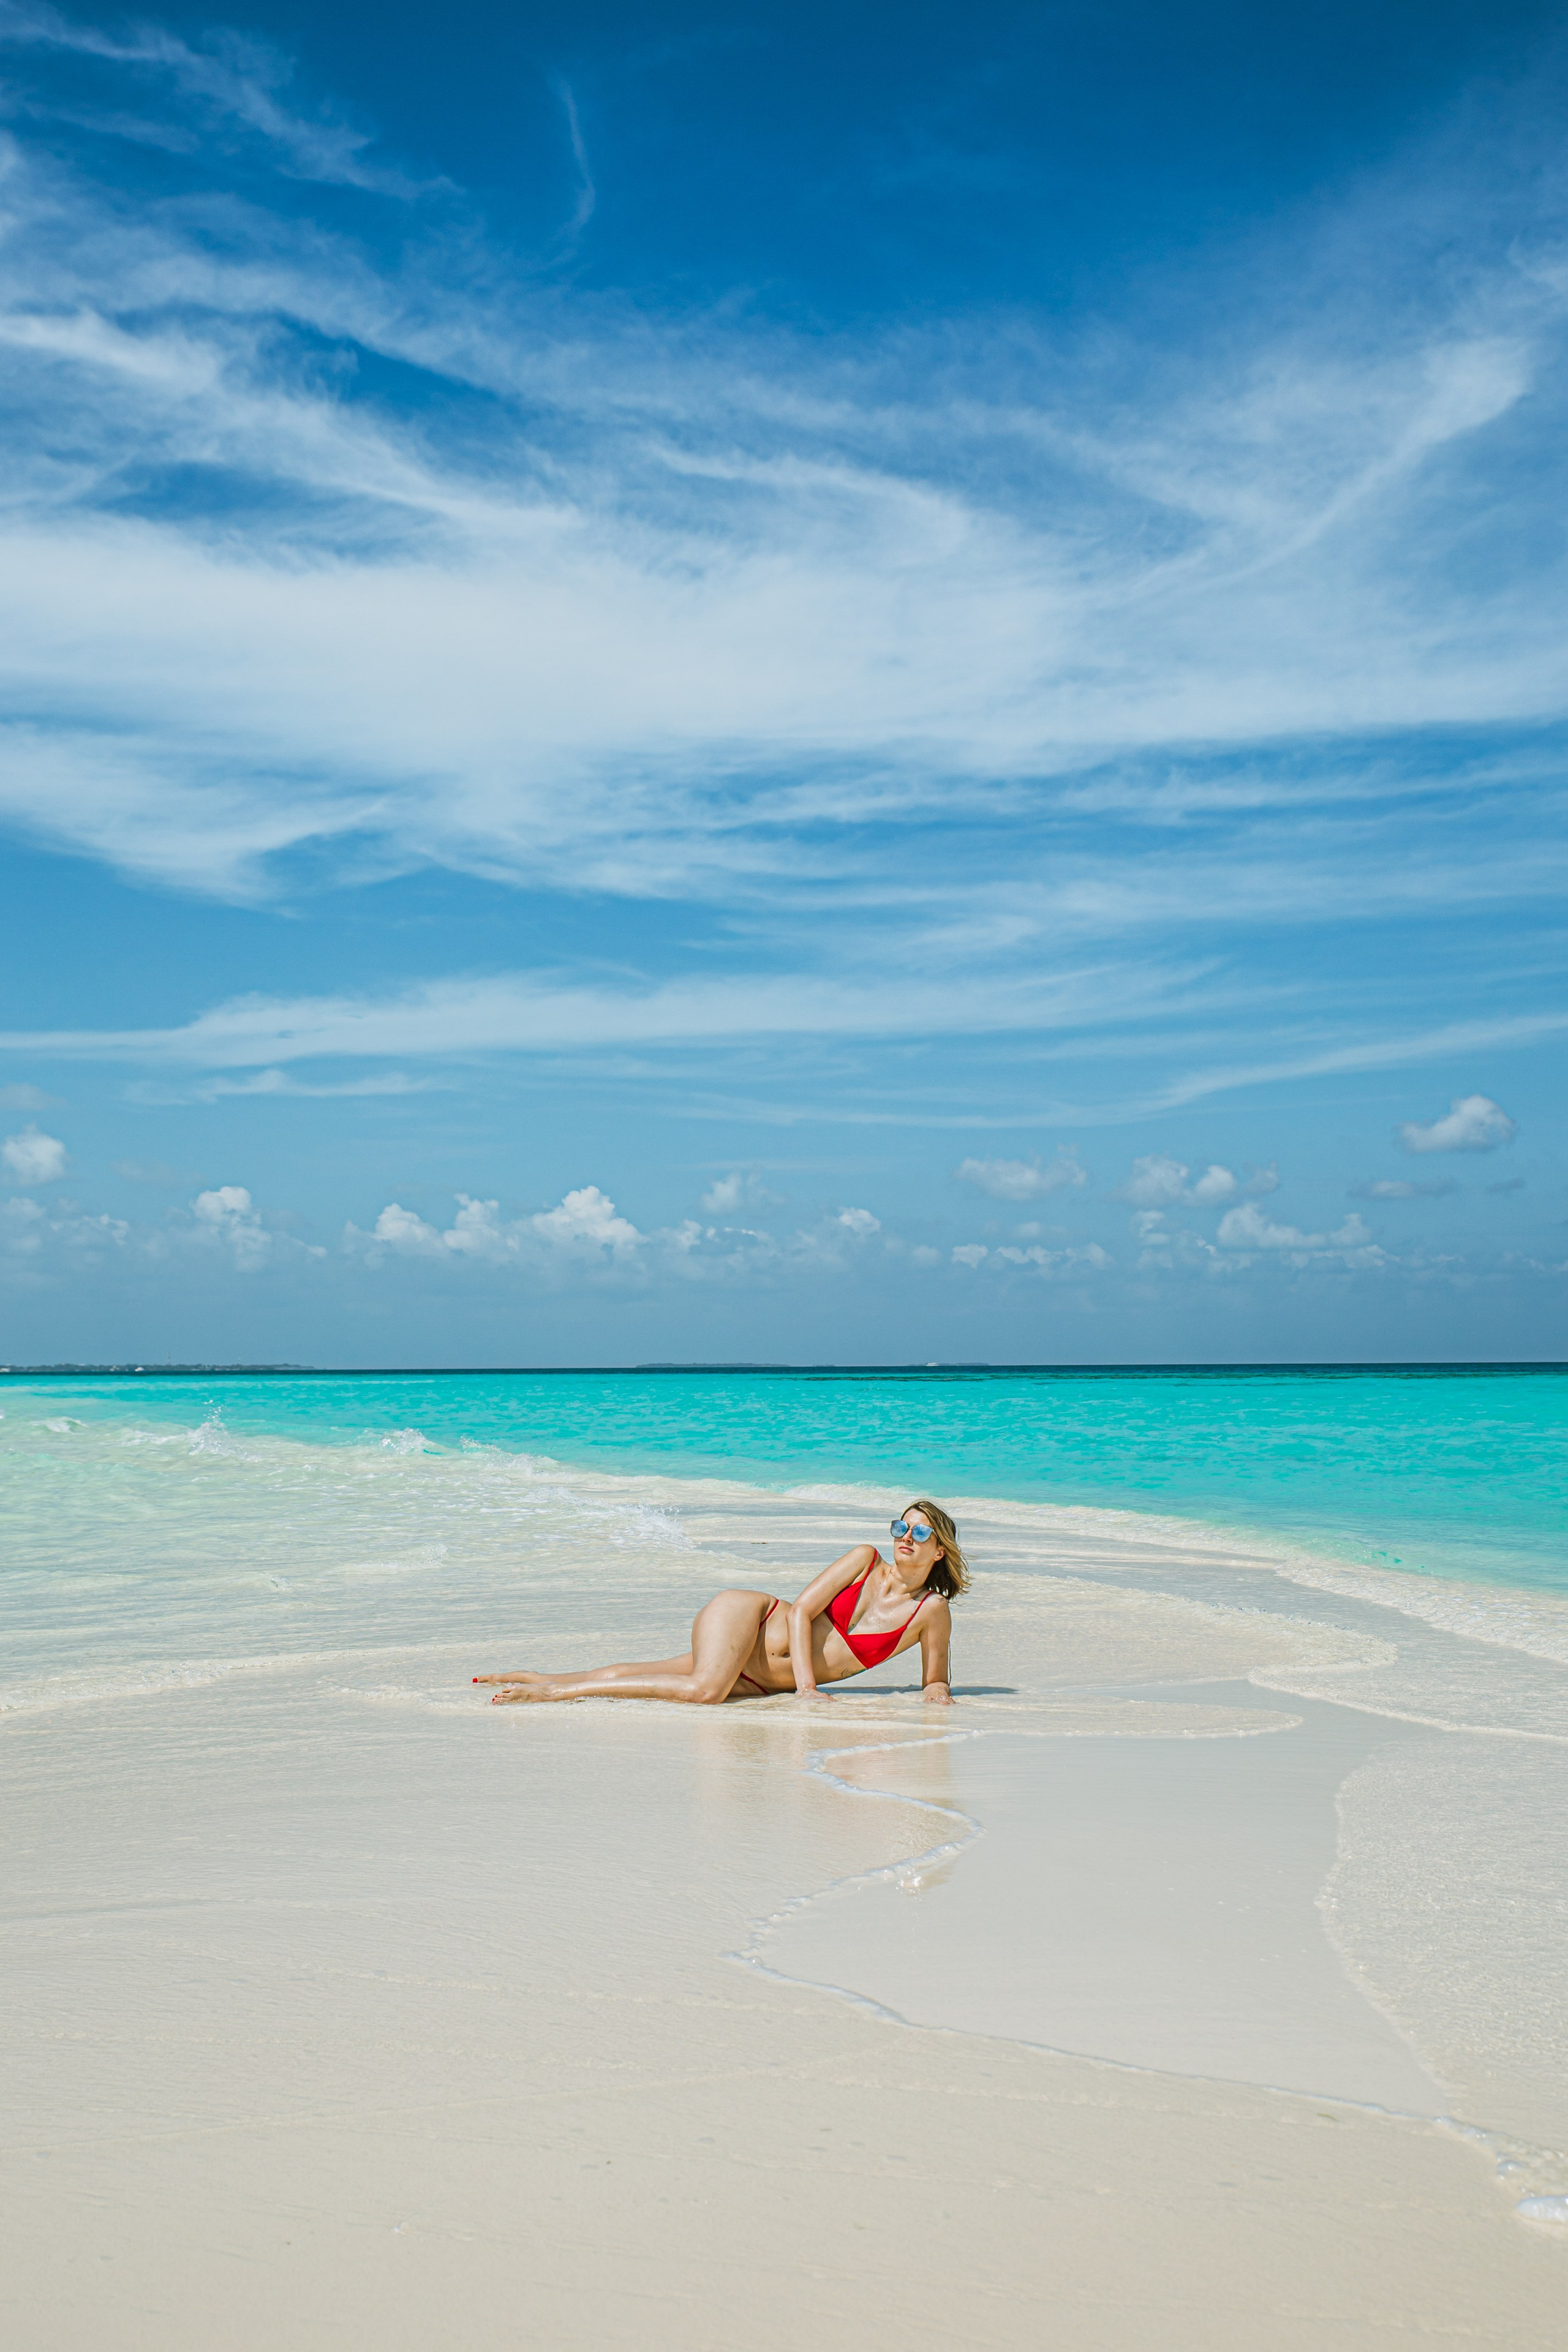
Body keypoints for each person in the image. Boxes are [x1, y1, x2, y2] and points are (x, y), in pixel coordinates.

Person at [475, 1499, 968, 1707]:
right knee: (704, 1691)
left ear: (938, 1549)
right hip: (749, 1622)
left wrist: (936, 1697)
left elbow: (935, 1679)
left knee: (643, 1674)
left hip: (754, 1679)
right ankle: (553, 1698)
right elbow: (800, 1612)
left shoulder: (931, 1613)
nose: (906, 1535)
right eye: (900, 1526)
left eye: (919, 1530)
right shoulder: (863, 1560)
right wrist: (806, 1690)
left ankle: (541, 1678)